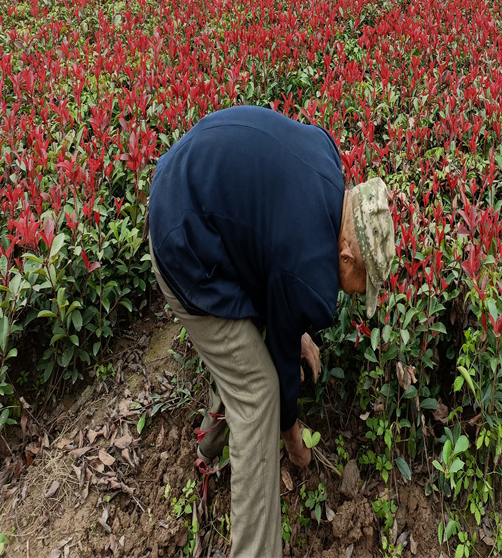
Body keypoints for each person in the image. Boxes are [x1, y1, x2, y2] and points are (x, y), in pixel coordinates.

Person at [147, 105, 395, 558]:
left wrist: (292, 325)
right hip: (182, 244)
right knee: (257, 394)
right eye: (365, 282)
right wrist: (294, 440)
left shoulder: (326, 153)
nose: (362, 294)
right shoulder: (313, 281)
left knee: (242, 358)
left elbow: (275, 250)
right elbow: (280, 371)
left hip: (185, 181)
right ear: (346, 257)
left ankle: (207, 450)